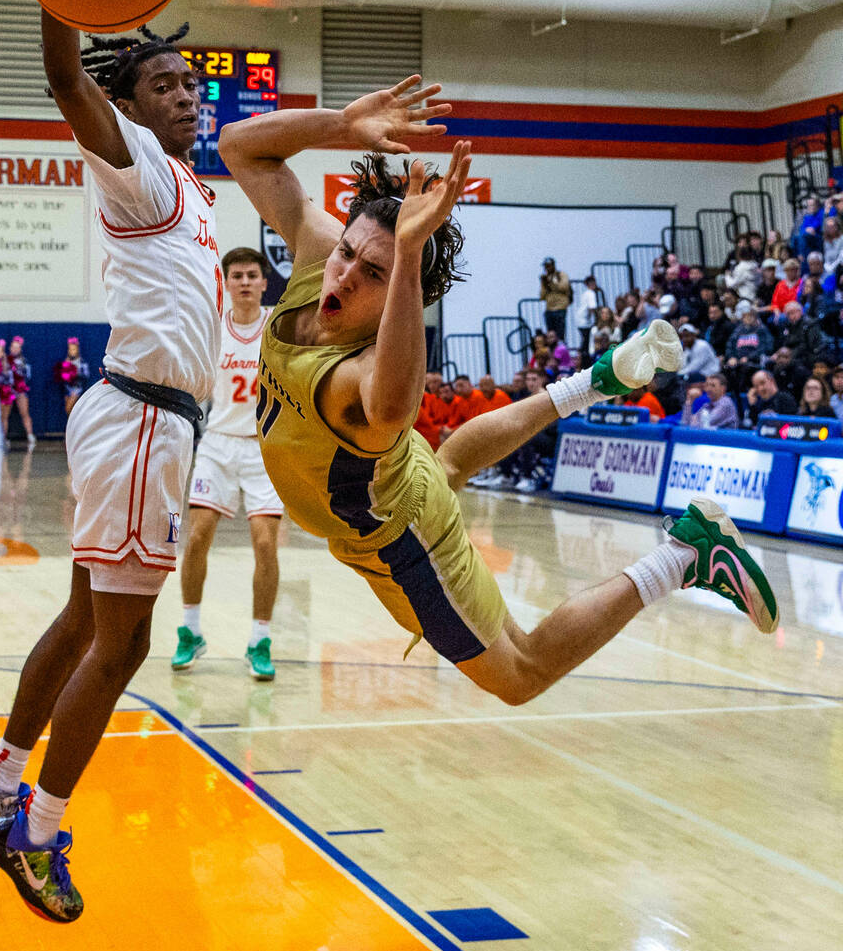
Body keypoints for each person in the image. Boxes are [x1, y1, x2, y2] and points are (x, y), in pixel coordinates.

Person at [218, 75, 777, 735]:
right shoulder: (317, 259)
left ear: (398, 295)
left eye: (374, 274)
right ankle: (595, 379)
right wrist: (340, 124)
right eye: (347, 252)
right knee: (447, 463)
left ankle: (685, 554)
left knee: (520, 670)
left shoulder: (360, 373)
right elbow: (238, 146)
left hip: (398, 543)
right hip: (395, 491)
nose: (344, 273)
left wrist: (407, 255)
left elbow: (393, 410)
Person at [0, 0, 223, 925]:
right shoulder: (134, 164)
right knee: (125, 640)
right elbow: (63, 74)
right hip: (145, 424)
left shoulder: (192, 192)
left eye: (191, 81)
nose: (186, 95)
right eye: (165, 84)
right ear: (132, 102)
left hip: (148, 423)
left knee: (80, 621)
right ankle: (40, 828)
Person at [172, 247, 284, 681]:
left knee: (264, 545)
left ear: (262, 282)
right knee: (197, 538)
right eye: (235, 275)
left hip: (264, 449)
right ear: (227, 281)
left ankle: (260, 639)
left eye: (251, 275)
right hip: (217, 443)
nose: (243, 282)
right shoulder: (212, 327)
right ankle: (190, 631)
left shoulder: (277, 327)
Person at [7, 336, 37, 447]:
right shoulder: (6, 360)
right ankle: (4, 437)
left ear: (20, 349)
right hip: (8, 391)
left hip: (20, 390)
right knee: (5, 415)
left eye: (17, 348)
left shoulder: (24, 361)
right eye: (13, 347)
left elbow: (28, 376)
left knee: (24, 413)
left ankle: (30, 435)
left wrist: (18, 376)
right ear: (10, 348)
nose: (15, 350)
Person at [539, 257, 571, 340]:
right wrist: (544, 284)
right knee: (550, 335)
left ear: (553, 265)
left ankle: (560, 349)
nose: (547, 268)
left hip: (560, 308)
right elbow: (542, 296)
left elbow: (564, 287)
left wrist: (551, 282)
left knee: (560, 334)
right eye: (546, 266)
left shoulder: (561, 275)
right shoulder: (545, 278)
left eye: (549, 266)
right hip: (549, 309)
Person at [58, 338, 90, 416]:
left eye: (74, 349)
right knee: (70, 412)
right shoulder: (66, 362)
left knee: (68, 409)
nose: (72, 351)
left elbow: (86, 375)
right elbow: (61, 376)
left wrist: (76, 374)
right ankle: (73, 427)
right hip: (67, 388)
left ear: (77, 350)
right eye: (71, 349)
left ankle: (77, 426)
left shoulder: (81, 362)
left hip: (77, 388)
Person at [574, 275, 600, 357]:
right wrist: (598, 318)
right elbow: (592, 308)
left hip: (580, 320)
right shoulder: (591, 293)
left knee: (585, 341)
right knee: (586, 343)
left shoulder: (586, 293)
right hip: (584, 321)